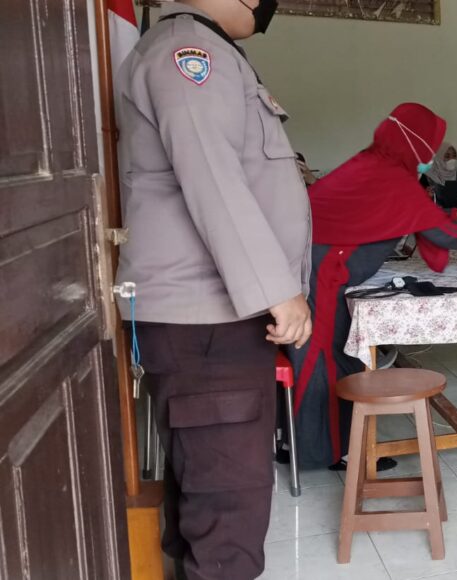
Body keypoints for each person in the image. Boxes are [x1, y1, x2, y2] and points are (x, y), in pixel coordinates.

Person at [115, 0, 310, 577]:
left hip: (210, 319)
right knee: (229, 506)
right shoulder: (189, 52)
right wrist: (279, 290)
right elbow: (213, 176)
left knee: (208, 491)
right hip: (207, 321)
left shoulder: (208, 50)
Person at [289, 103, 457, 473]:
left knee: (328, 355)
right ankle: (332, 451)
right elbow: (438, 231)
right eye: (430, 148)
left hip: (314, 268)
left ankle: (304, 442)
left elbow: (420, 215)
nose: (430, 158)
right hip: (323, 273)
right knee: (326, 360)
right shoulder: (392, 177)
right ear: (416, 145)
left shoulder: (375, 164)